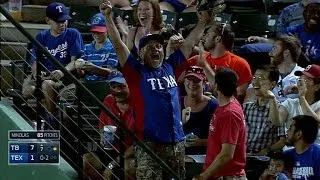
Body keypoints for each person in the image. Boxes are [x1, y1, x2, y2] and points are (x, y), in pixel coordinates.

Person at [100, 0, 216, 179]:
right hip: (150, 144)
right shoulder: (136, 72)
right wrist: (108, 17)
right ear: (140, 53)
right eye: (150, 47)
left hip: (177, 142)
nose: (156, 49)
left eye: (159, 46)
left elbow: (188, 44)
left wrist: (202, 23)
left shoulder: (170, 66)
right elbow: (118, 45)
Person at [22, 2, 83, 128]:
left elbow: (75, 60)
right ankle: (48, 116)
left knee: (47, 85)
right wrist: (37, 74)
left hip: (64, 76)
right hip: (44, 73)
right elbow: (34, 61)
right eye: (58, 21)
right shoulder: (41, 36)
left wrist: (63, 72)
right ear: (48, 20)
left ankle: (51, 119)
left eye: (65, 20)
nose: (62, 24)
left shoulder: (73, 33)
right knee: (28, 91)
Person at [193, 43, 247, 180]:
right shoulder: (230, 102)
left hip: (227, 176)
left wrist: (204, 176)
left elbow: (227, 154)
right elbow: (214, 83)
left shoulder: (229, 114)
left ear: (217, 87)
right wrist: (205, 65)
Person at [177, 23, 252, 104]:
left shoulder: (239, 64)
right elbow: (175, 81)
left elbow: (239, 97)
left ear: (217, 39)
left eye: (208, 34)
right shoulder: (195, 60)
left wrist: (205, 66)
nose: (204, 38)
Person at [83, 71, 135, 180]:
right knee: (88, 160)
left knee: (129, 167)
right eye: (113, 87)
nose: (117, 91)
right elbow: (102, 125)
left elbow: (140, 143)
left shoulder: (139, 104)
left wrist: (111, 166)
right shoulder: (109, 100)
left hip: (132, 152)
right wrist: (103, 136)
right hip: (112, 149)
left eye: (122, 86)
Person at [245, 35, 304, 103]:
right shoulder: (265, 73)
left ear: (286, 53)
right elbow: (249, 99)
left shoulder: (304, 76)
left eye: (274, 48)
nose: (270, 53)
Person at [271, 65, 320, 144]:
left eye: (307, 79)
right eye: (301, 77)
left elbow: (314, 123)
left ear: (317, 86)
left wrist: (302, 97)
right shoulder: (290, 102)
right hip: (290, 151)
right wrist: (272, 99)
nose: (301, 80)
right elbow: (277, 121)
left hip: (314, 152)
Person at [244, 65, 286, 155]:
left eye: (261, 78)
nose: (255, 82)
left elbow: (283, 140)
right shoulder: (246, 107)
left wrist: (266, 151)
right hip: (245, 155)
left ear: (272, 84)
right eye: (255, 77)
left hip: (266, 158)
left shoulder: (280, 109)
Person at [182, 66, 218, 155]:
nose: (192, 83)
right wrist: (181, 122)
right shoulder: (176, 102)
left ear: (204, 83)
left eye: (197, 80)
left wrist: (201, 142)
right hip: (180, 156)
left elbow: (222, 139)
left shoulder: (214, 106)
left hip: (205, 157)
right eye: (189, 79)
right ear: (184, 82)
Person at [75, 13, 118, 81]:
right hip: (86, 83)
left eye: (100, 32)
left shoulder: (113, 48)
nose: (96, 34)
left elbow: (111, 72)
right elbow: (82, 74)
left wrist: (93, 68)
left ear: (107, 30)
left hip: (104, 84)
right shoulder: (86, 48)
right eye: (94, 32)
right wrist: (79, 69)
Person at [283, 115, 320, 180]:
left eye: (290, 128)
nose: (287, 132)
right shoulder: (286, 156)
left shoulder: (318, 154)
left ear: (298, 134)